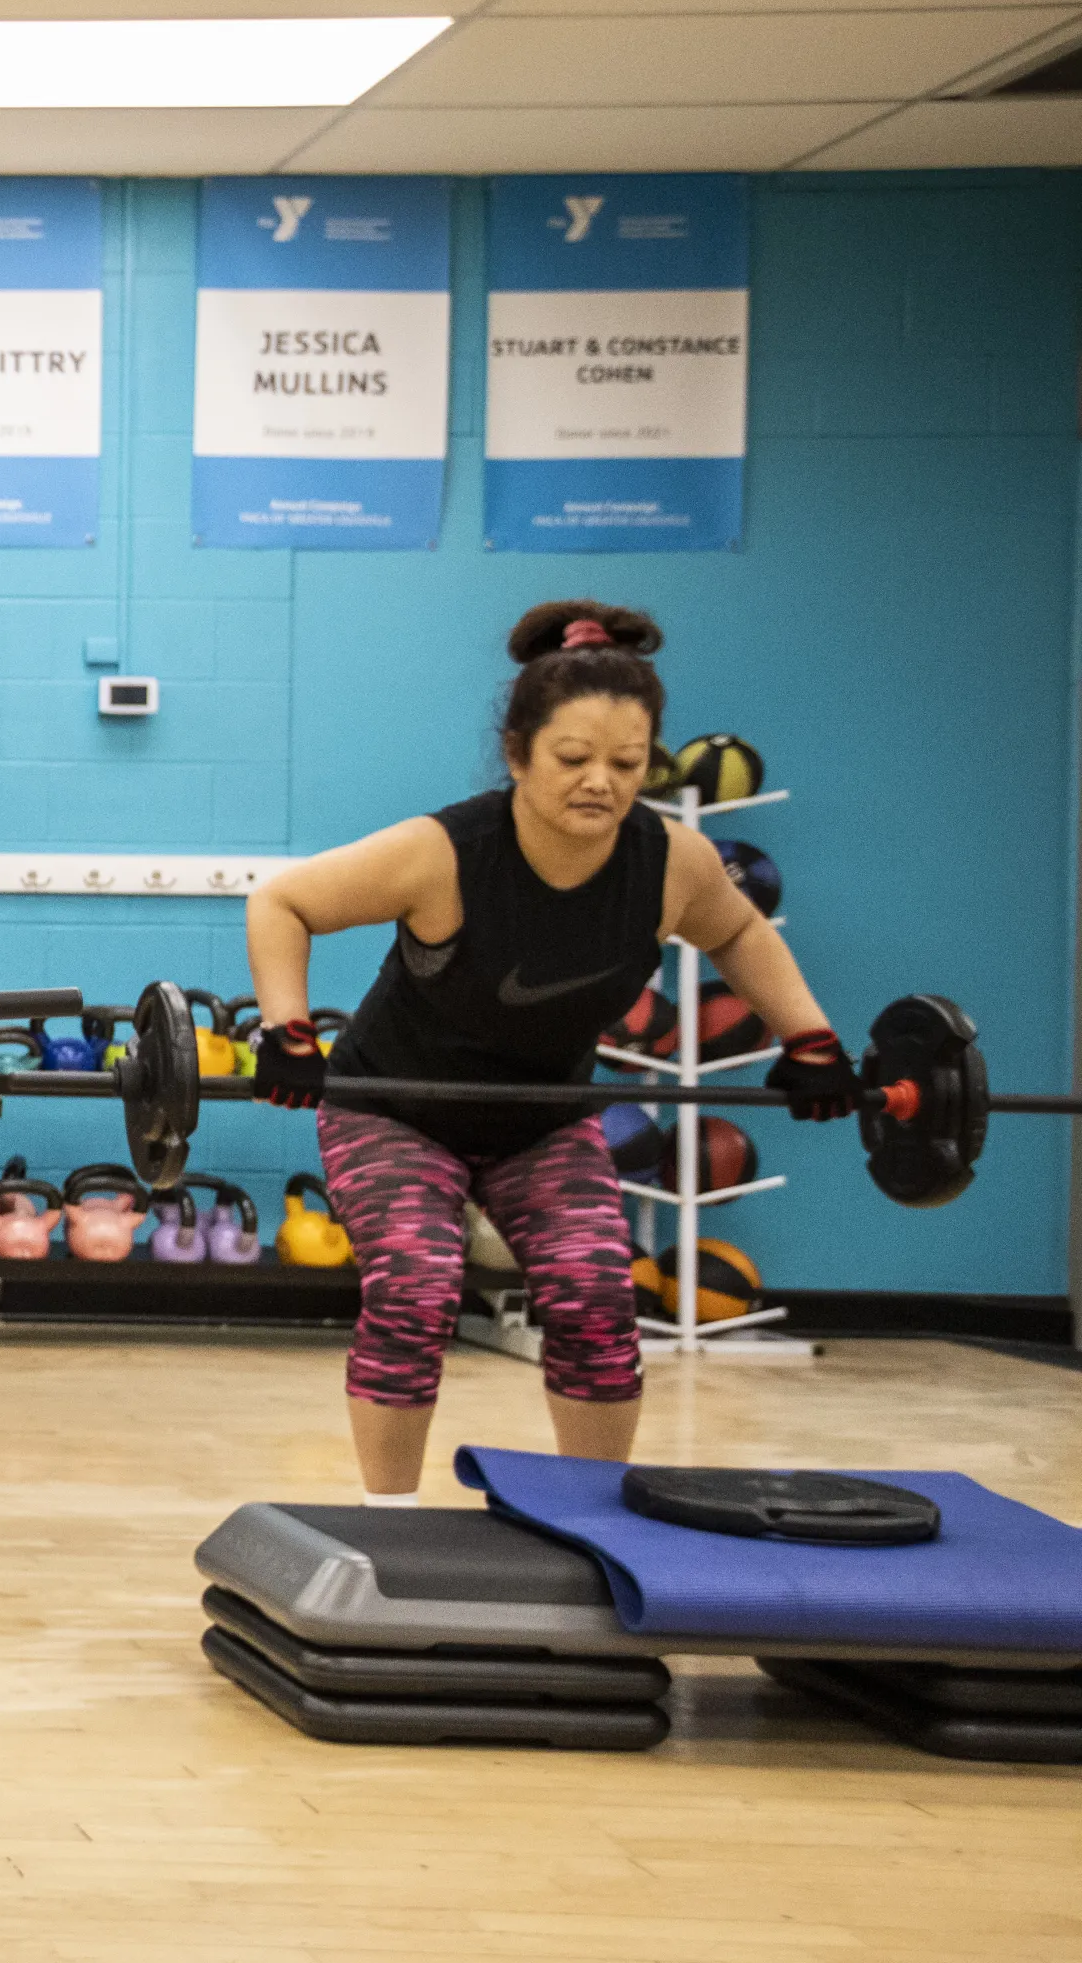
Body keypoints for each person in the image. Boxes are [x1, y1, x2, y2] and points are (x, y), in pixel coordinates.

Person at [242, 603, 857, 1503]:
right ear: (519, 754)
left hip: (539, 1118)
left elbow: (742, 935)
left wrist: (811, 1038)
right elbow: (282, 902)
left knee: (597, 1297)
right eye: (573, 759)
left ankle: (602, 1521)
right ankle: (392, 1517)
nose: (601, 782)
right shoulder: (444, 852)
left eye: (626, 761)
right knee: (416, 1287)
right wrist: (287, 1029)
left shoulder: (671, 862)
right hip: (393, 1109)